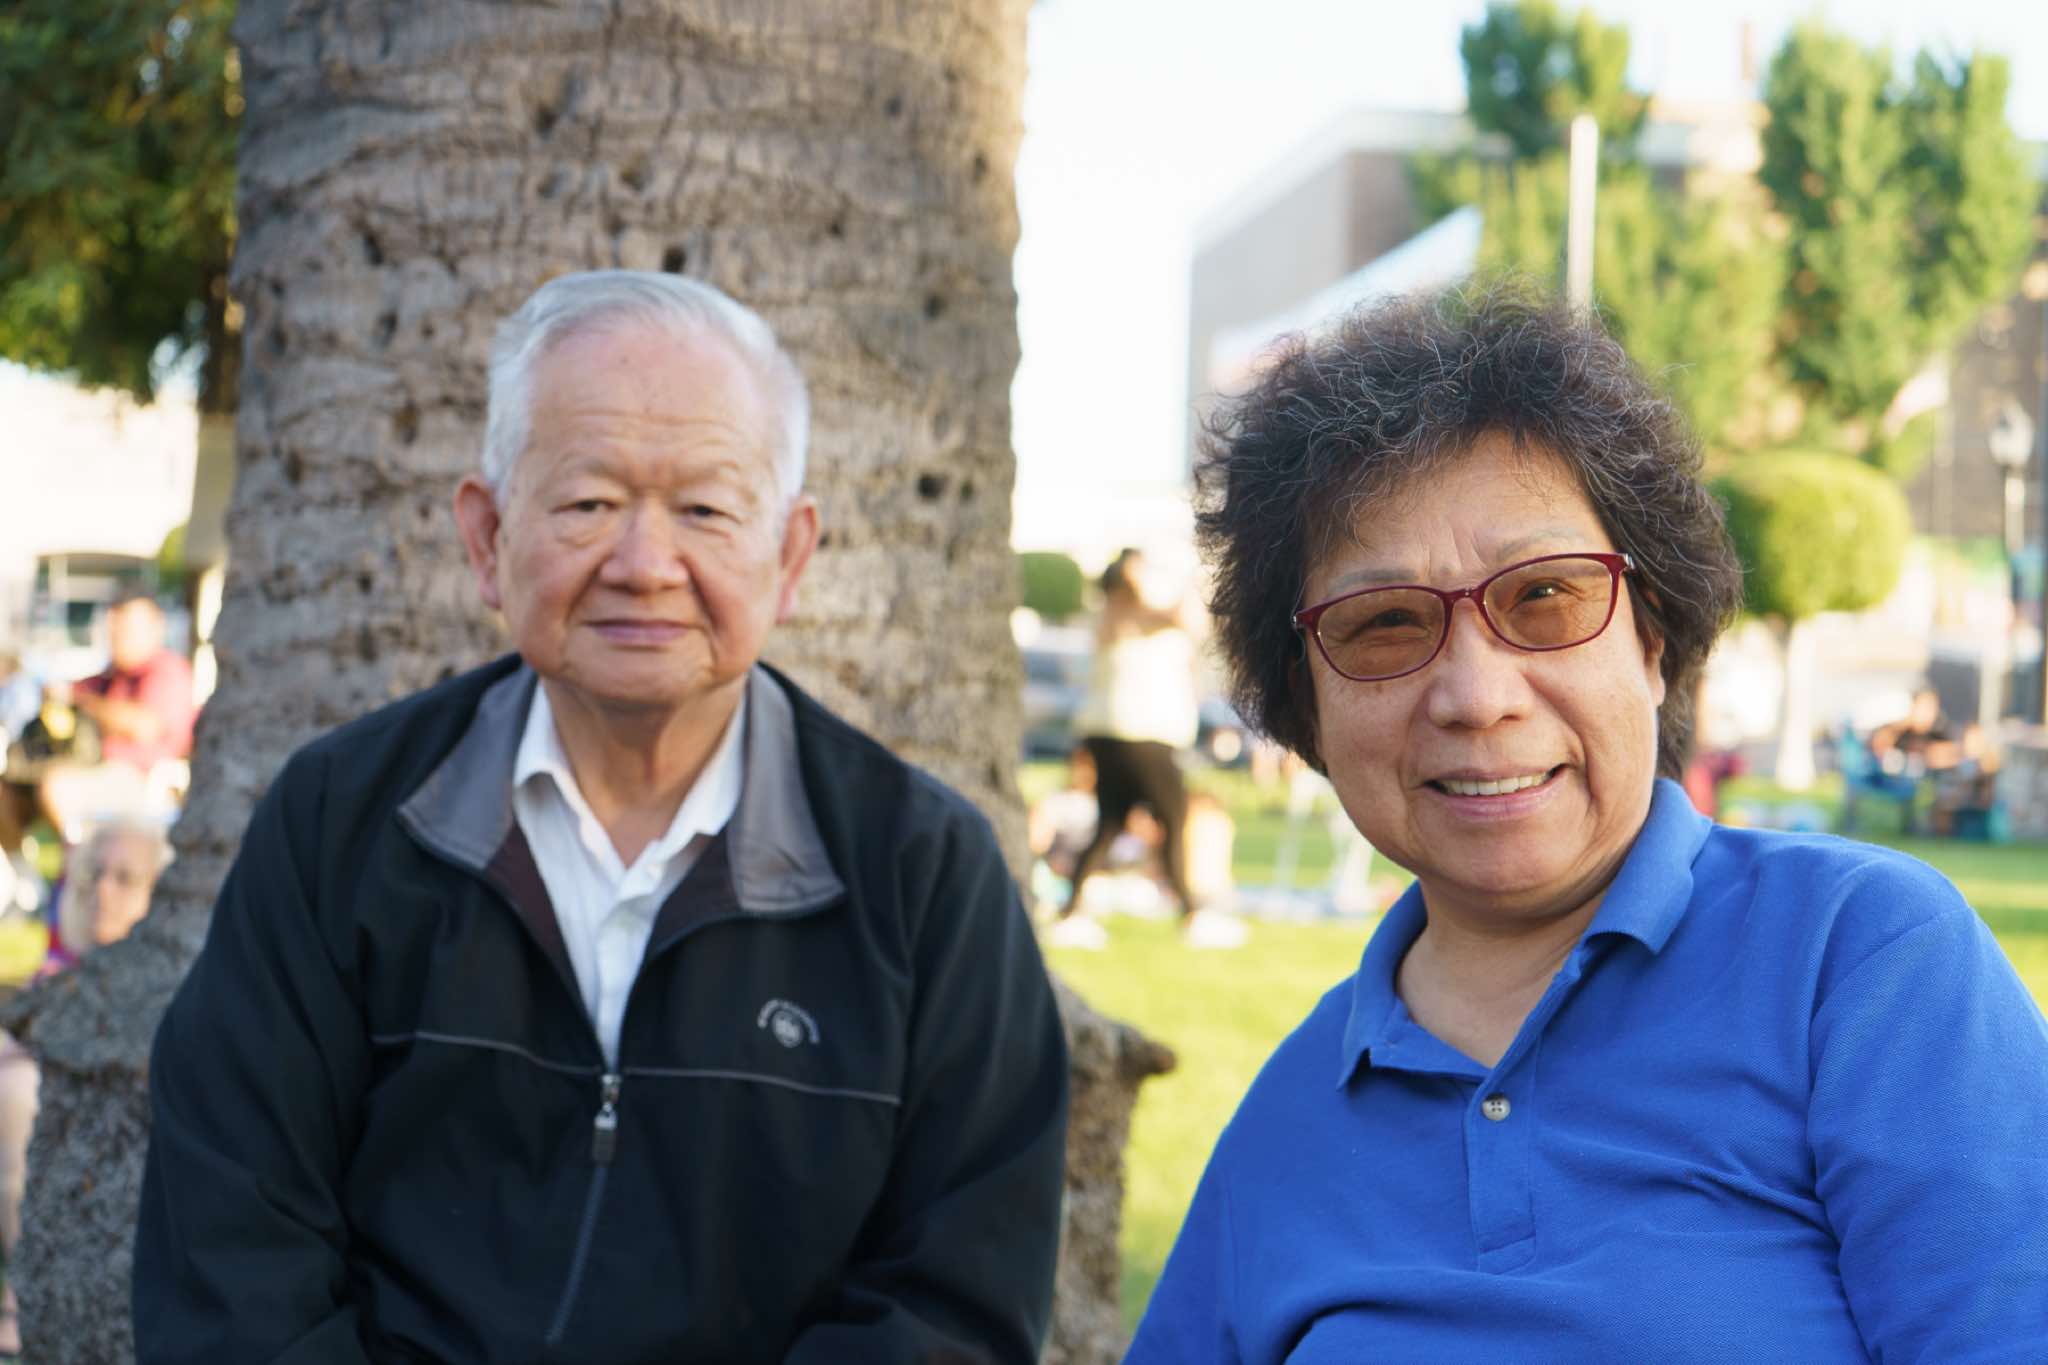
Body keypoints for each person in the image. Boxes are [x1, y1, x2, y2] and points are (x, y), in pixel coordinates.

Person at [133, 271, 1069, 1363]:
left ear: (789, 556)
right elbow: (233, 1254)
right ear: (487, 537)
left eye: (706, 510)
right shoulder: (340, 825)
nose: (643, 565)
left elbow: (954, 1306)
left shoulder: (922, 874)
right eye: (586, 504)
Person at [1126, 285, 2048, 1362]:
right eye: (1385, 625)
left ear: (1651, 642)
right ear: (1307, 706)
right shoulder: (1285, 1124)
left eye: (1545, 599)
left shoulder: (1861, 964)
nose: (1477, 697)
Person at [0, 816, 171, 1358]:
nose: (102, 890)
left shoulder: (161, 988)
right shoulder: (57, 974)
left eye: (125, 878)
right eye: (94, 873)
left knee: (15, 1096)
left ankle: (18, 1299)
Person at [1049, 549, 1237, 946]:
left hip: (1115, 731)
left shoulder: (1117, 614)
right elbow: (1183, 617)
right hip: (1140, 732)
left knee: (1111, 822)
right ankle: (1193, 912)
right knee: (1173, 817)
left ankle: (1071, 911)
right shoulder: (1127, 610)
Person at [34, 593, 196, 843]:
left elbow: (144, 726)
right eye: (114, 628)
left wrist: (82, 702)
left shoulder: (167, 671)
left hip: (143, 780)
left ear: (155, 627)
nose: (117, 636)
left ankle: (83, 857)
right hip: (96, 768)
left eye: (126, 628)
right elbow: (69, 691)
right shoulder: (113, 676)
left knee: (58, 787)